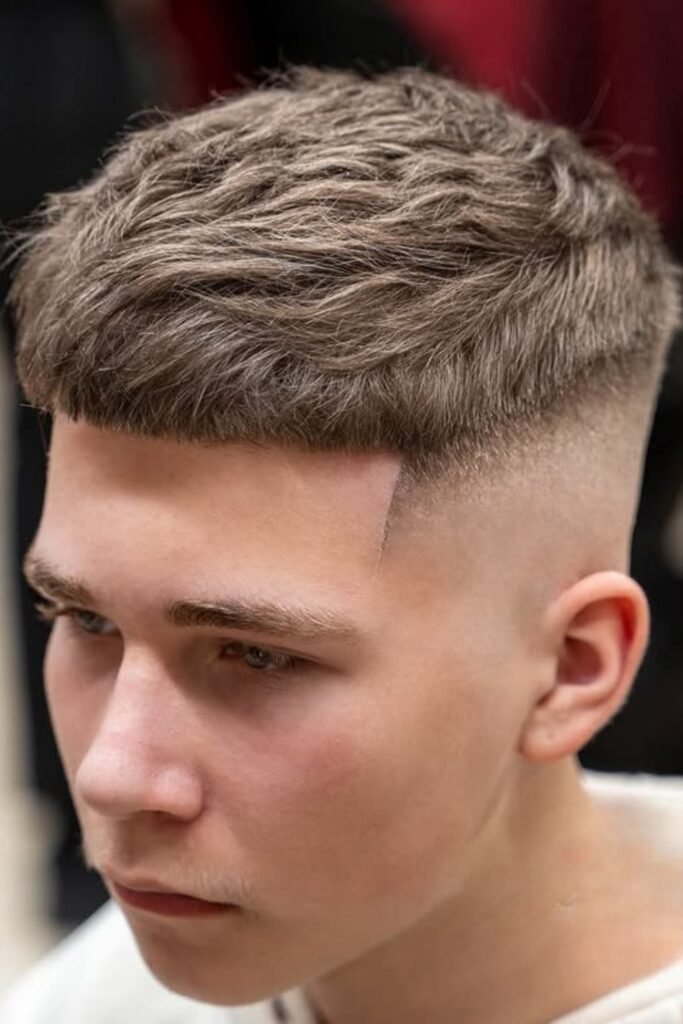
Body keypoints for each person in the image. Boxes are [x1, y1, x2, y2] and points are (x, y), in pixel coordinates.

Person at [2, 67, 683, 1024]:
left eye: (255, 655)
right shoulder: (99, 994)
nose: (113, 778)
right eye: (84, 619)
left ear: (571, 666)